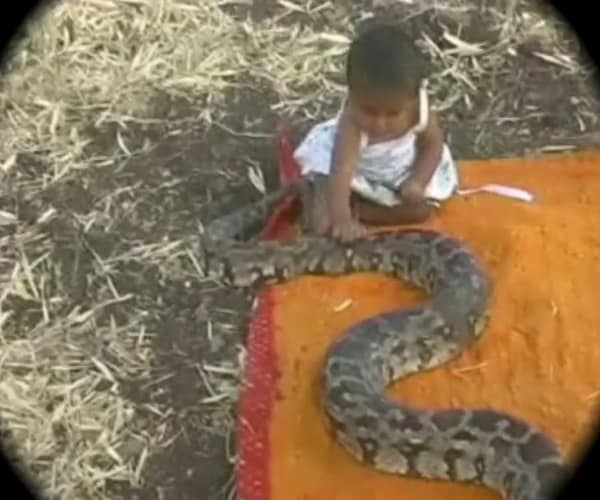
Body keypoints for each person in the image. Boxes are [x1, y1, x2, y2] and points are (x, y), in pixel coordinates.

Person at [294, 22, 459, 242]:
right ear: (352, 97)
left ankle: (363, 211)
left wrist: (418, 180)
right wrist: (341, 219)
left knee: (421, 212)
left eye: (392, 114)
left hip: (398, 175)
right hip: (351, 175)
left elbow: (433, 145)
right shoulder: (352, 125)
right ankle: (315, 192)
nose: (379, 124)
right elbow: (342, 171)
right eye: (369, 111)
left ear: (411, 101)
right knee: (323, 225)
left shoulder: (419, 112)